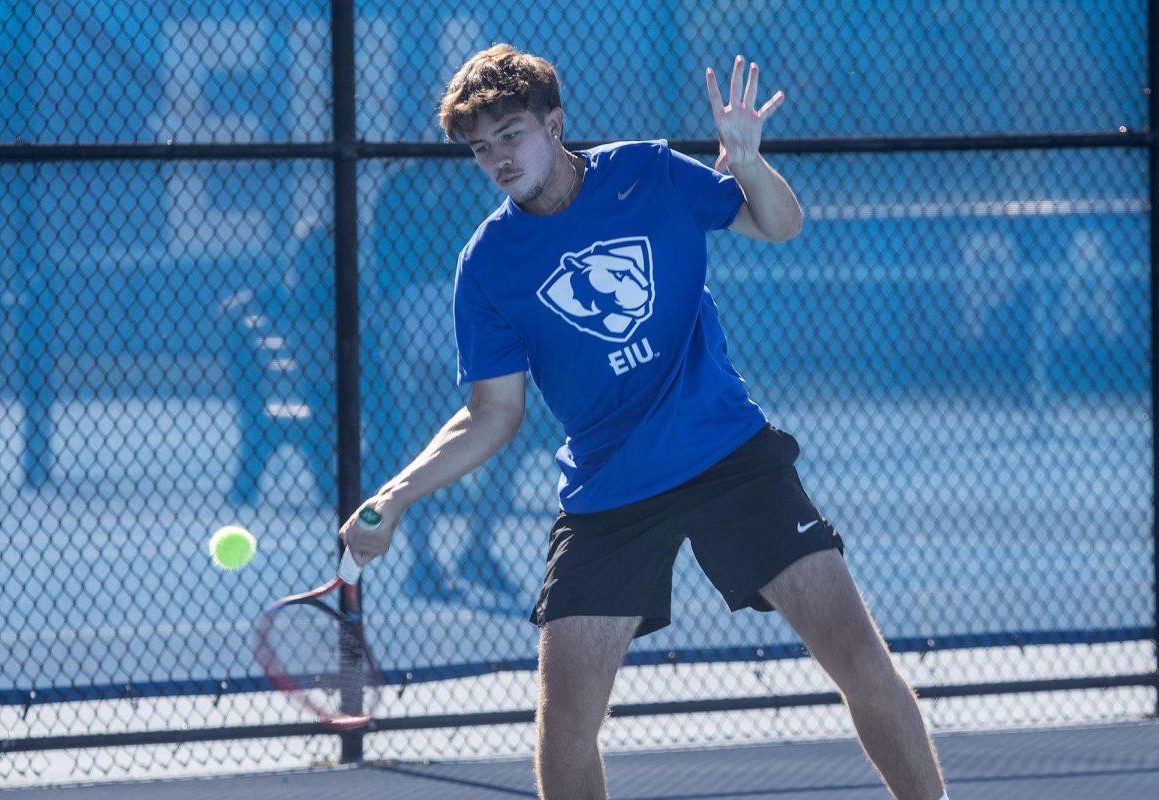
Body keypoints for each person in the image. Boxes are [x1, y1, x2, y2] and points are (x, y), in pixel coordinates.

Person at [341, 44, 950, 800]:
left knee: (859, 660)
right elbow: (492, 415)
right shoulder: (487, 264)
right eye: (480, 147)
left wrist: (749, 162)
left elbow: (778, 224)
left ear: (554, 123)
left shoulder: (649, 173)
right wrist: (396, 495)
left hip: (729, 454)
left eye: (511, 134)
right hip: (609, 490)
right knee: (564, 727)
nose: (497, 157)